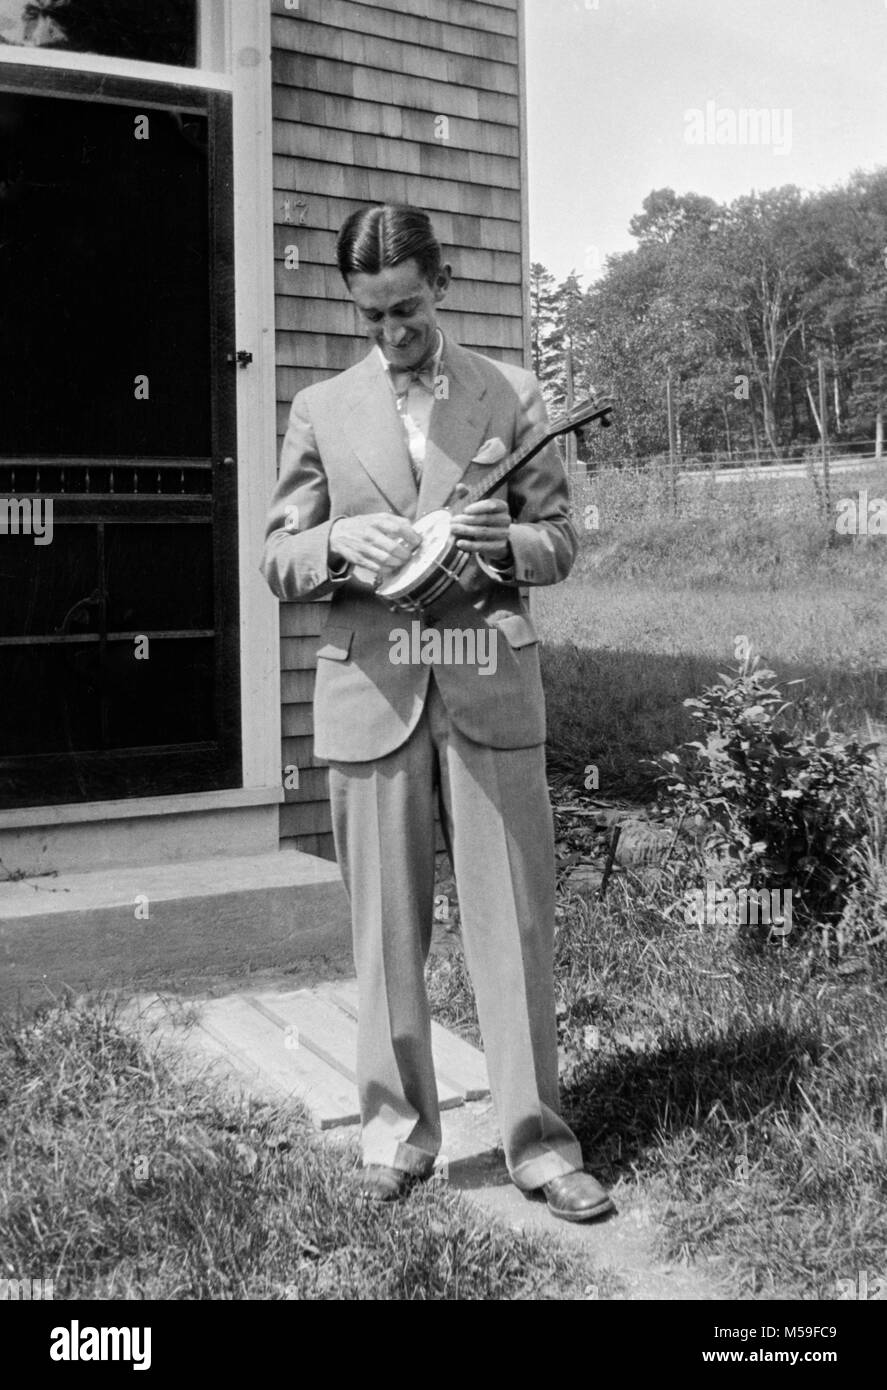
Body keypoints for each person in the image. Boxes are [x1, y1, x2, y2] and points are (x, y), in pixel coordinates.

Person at [261, 204, 614, 1222]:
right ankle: (395, 1135)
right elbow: (276, 557)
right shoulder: (320, 409)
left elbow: (559, 545)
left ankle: (539, 1143)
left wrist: (503, 542)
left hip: (487, 686)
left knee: (512, 922)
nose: (390, 336)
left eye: (406, 311)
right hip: (370, 693)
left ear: (443, 281)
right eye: (370, 317)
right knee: (383, 932)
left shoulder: (511, 394)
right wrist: (340, 543)